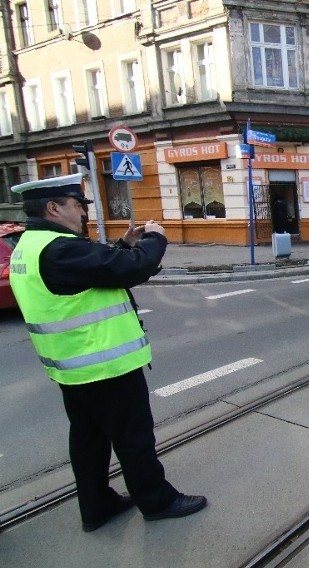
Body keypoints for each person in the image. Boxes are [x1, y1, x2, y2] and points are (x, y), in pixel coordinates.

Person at [8, 173, 206, 532]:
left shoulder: (31, 245)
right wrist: (156, 238)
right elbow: (132, 268)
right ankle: (156, 501)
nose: (83, 213)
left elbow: (89, 272)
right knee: (133, 438)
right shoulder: (60, 248)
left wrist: (121, 243)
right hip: (105, 365)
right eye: (77, 206)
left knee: (89, 440)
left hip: (72, 368)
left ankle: (96, 506)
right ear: (54, 208)